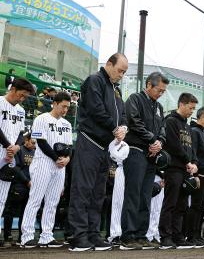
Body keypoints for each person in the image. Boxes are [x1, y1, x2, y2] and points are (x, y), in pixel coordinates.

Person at [68, 53, 128, 252]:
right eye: (120, 70)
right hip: (89, 140)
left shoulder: (116, 89)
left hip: (105, 147)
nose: (121, 75)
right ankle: (78, 235)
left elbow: (123, 113)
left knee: (98, 193)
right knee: (82, 190)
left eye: (124, 72)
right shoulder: (95, 80)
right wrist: (114, 128)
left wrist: (124, 128)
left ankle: (93, 234)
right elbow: (96, 108)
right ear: (109, 64)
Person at [120, 72, 168, 250]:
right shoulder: (135, 99)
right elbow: (134, 121)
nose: (161, 93)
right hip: (136, 150)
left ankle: (141, 234)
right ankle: (128, 235)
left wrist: (159, 142)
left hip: (152, 155)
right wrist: (151, 140)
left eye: (163, 91)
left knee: (145, 195)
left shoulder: (159, 107)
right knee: (133, 193)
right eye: (159, 90)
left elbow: (163, 128)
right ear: (149, 85)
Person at [20, 92, 73, 248]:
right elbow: (41, 142)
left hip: (60, 165)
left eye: (67, 107)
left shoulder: (67, 124)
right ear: (54, 103)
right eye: (63, 106)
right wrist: (56, 158)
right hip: (43, 162)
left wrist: (67, 158)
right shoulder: (40, 119)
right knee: (35, 199)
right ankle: (27, 236)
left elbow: (69, 146)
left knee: (53, 202)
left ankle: (47, 236)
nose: (65, 110)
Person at [158, 93, 198, 249]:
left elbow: (191, 148)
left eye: (194, 109)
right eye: (190, 108)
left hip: (186, 169)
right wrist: (187, 161)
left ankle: (177, 235)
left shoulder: (188, 126)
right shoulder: (171, 121)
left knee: (182, 204)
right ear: (181, 104)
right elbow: (174, 145)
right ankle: (165, 236)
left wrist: (194, 162)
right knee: (171, 202)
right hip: (173, 168)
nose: (192, 111)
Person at [0, 78, 34, 235]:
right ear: (12, 89)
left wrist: (17, 146)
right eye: (21, 94)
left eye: (25, 96)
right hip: (4, 149)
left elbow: (22, 133)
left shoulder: (20, 110)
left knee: (2, 198)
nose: (23, 98)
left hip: (9, 155)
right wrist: (9, 146)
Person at [184, 106, 204, 246]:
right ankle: (191, 235)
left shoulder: (201, 132)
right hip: (200, 174)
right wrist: (195, 174)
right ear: (202, 117)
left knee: (201, 206)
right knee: (196, 206)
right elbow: (193, 153)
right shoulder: (195, 131)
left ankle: (197, 234)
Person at [2, 132, 35, 246]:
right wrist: (27, 181)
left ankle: (22, 237)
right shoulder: (19, 150)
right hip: (18, 185)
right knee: (10, 211)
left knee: (25, 213)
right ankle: (7, 237)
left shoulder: (36, 152)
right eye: (32, 142)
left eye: (35, 143)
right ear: (26, 140)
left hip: (30, 187)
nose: (34, 145)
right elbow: (16, 168)